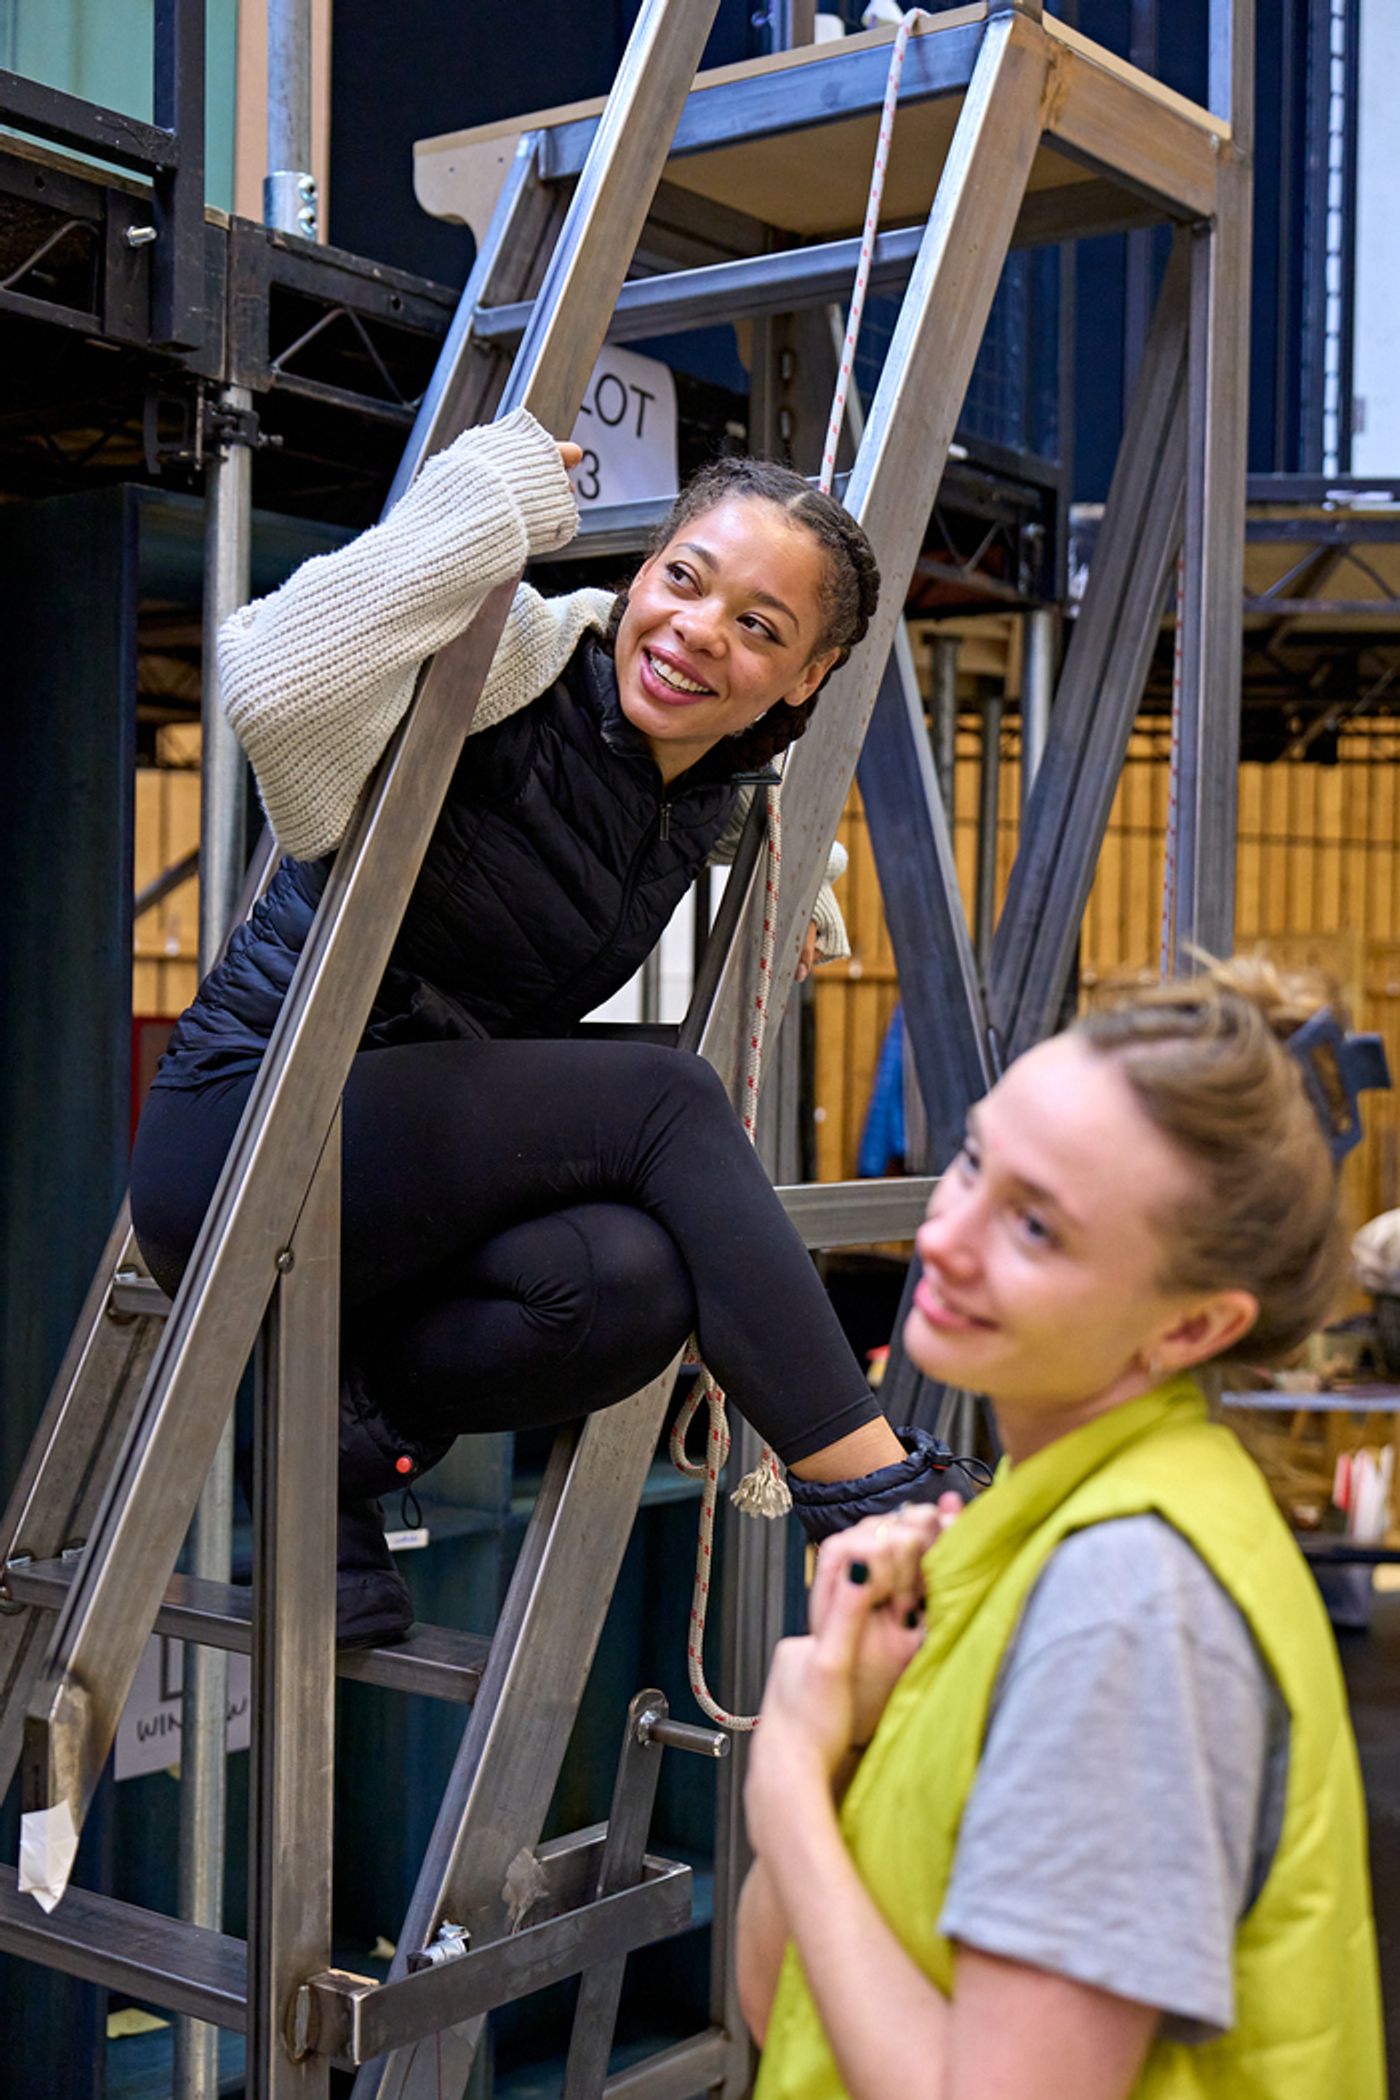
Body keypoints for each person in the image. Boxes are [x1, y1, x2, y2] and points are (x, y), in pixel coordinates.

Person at [129, 407, 976, 1647]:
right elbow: (270, 676)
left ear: (802, 680)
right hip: (250, 1124)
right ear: (638, 576)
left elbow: (751, 794)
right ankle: (871, 1493)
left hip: (393, 1192)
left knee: (630, 1284)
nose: (696, 632)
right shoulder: (514, 661)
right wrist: (487, 494)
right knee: (665, 1103)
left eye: (759, 627)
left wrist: (816, 893)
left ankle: (335, 1447)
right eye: (682, 581)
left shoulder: (712, 785)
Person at [738, 960, 1387, 2100]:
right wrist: (845, 1747)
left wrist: (789, 1784)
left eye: (1034, 1227)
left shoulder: (1126, 1612)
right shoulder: (1031, 1537)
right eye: (976, 1161)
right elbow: (787, 2004)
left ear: (1191, 1325)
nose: (945, 1237)